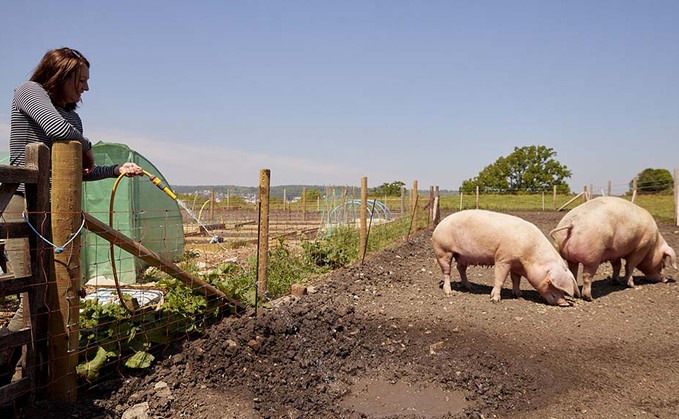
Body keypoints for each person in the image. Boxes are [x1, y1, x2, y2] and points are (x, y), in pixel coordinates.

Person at [1, 47, 144, 385]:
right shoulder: (29, 92)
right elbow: (59, 132)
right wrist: (87, 145)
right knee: (29, 299)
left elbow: (76, 170)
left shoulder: (74, 119)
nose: (86, 88)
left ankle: (29, 376)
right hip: (22, 203)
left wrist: (113, 169)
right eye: (80, 80)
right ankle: (13, 373)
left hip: (53, 211)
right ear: (60, 74)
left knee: (49, 294)